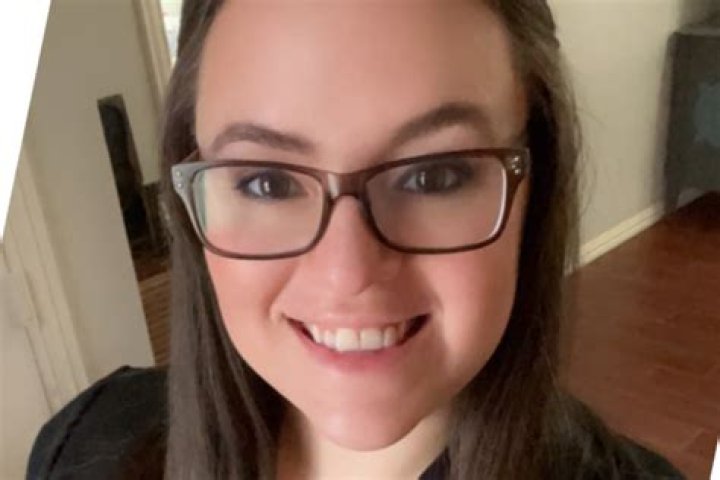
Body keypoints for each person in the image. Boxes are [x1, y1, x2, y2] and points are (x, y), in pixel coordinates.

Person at [27, 1, 685, 479]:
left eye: (433, 176)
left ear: (533, 190)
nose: (348, 273)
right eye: (265, 182)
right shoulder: (82, 450)